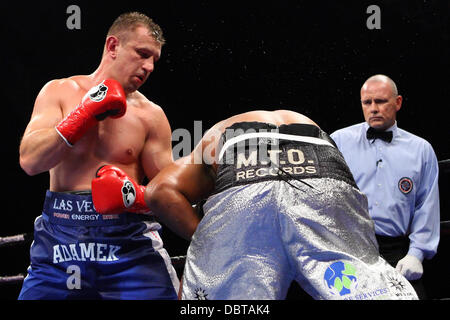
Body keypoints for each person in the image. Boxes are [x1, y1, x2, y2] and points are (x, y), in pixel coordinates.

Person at [93, 109, 419, 300]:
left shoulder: (216, 137)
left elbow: (160, 193)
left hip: (243, 171)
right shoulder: (300, 118)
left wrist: (214, 240)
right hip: (323, 164)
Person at [18, 12, 181, 300]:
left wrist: (135, 196)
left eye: (154, 60)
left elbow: (169, 194)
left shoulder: (151, 116)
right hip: (60, 245)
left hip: (129, 247)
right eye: (142, 54)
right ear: (113, 46)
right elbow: (30, 161)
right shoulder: (59, 91)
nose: (148, 66)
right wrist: (84, 115)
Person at [330, 75, 440, 299]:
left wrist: (417, 254)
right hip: (348, 250)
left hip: (396, 252)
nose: (373, 109)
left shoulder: (421, 150)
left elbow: (426, 207)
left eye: (380, 101)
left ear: (397, 102)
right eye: (367, 102)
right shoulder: (338, 141)